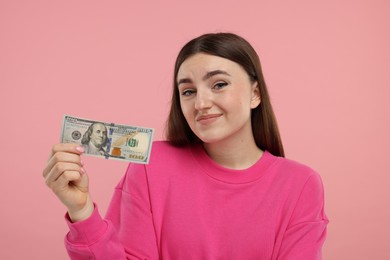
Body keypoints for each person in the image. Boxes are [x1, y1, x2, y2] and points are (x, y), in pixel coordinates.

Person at [43, 32, 328, 259]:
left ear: (255, 94)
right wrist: (81, 211)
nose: (201, 104)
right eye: (188, 91)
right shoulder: (152, 165)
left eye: (218, 84)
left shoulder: (301, 184)